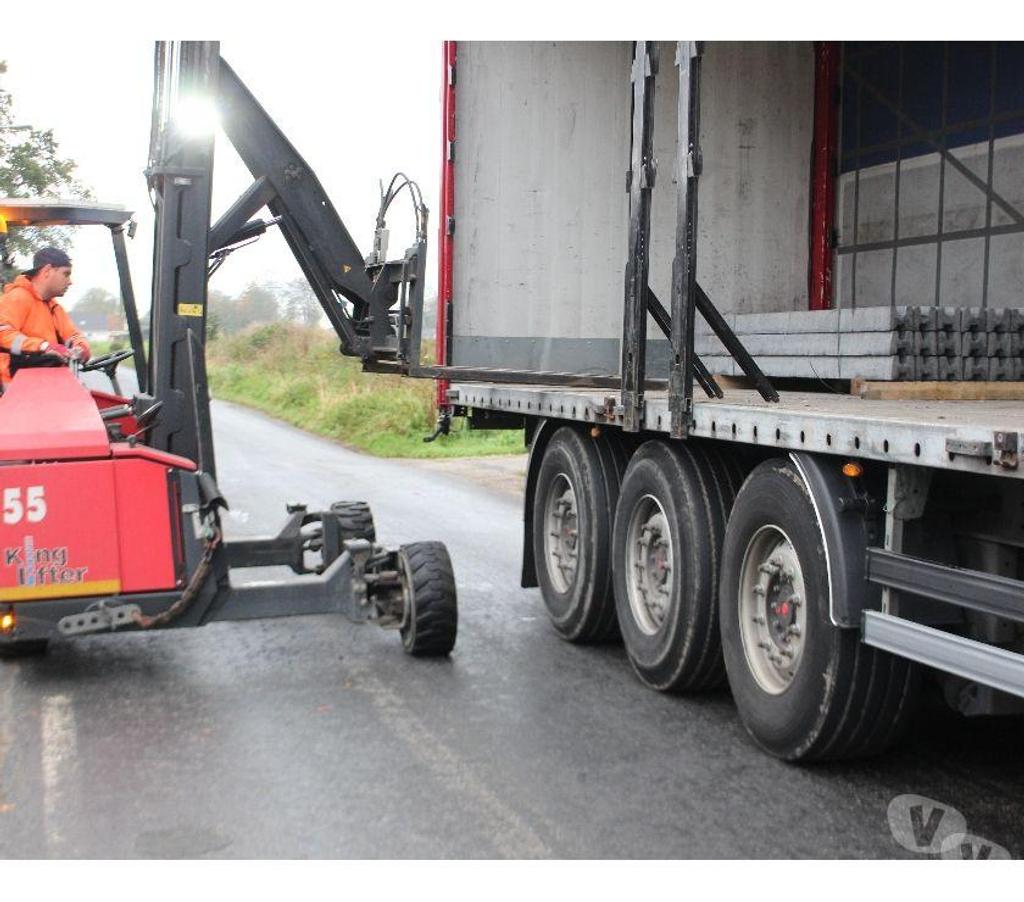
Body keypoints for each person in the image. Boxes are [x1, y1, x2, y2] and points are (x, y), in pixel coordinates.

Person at [0, 247, 91, 387]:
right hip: (16, 390)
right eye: (66, 274)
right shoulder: (16, 298)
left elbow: (72, 335)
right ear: (47, 271)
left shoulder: (54, 308)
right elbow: (3, 334)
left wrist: (81, 348)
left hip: (47, 385)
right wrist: (44, 346)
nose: (70, 281)